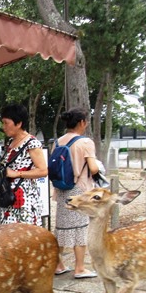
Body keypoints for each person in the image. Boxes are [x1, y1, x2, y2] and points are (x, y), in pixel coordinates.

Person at [53, 108, 100, 279]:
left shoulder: (58, 142)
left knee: (61, 228)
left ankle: (58, 264)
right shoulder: (85, 142)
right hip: (79, 190)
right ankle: (80, 268)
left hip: (61, 189)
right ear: (81, 122)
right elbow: (93, 168)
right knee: (80, 228)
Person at [0, 103, 48, 226]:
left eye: (6, 123)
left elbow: (43, 170)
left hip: (25, 200)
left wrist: (17, 174)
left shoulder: (32, 143)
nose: (3, 127)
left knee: (24, 238)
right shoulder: (10, 142)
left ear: (19, 123)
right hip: (9, 197)